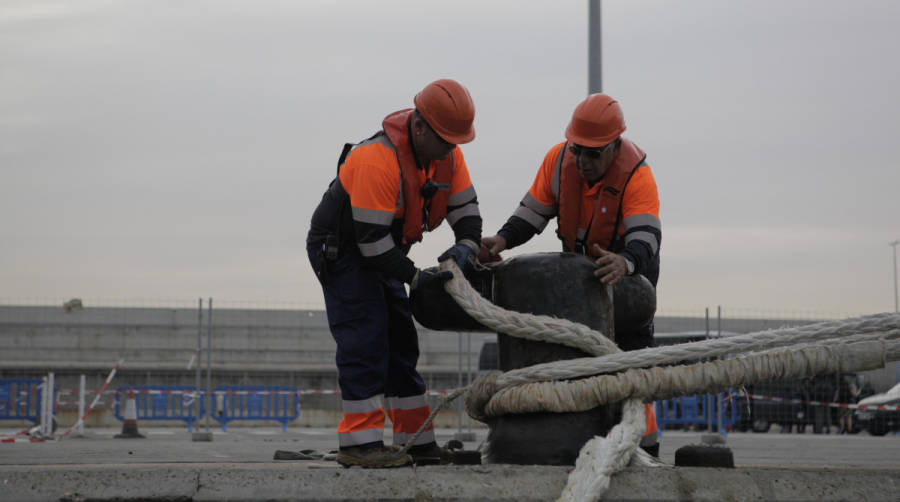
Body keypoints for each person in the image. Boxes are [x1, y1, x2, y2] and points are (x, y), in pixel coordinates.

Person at [306, 79, 482, 468]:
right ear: (419, 128)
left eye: (456, 142)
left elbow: (468, 215)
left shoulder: (447, 156)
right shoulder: (377, 159)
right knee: (365, 336)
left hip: (384, 251)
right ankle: (360, 445)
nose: (451, 149)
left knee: (401, 342)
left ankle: (416, 442)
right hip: (345, 250)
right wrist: (418, 277)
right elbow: (370, 244)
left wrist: (466, 249)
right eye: (445, 141)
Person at [481, 93, 661, 455]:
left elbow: (646, 236)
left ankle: (644, 448)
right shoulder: (558, 161)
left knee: (631, 369)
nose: (582, 160)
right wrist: (502, 239)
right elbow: (533, 211)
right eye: (577, 149)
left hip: (625, 280)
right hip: (578, 286)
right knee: (577, 367)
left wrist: (625, 263)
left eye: (593, 153)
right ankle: (579, 443)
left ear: (614, 147)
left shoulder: (637, 177)